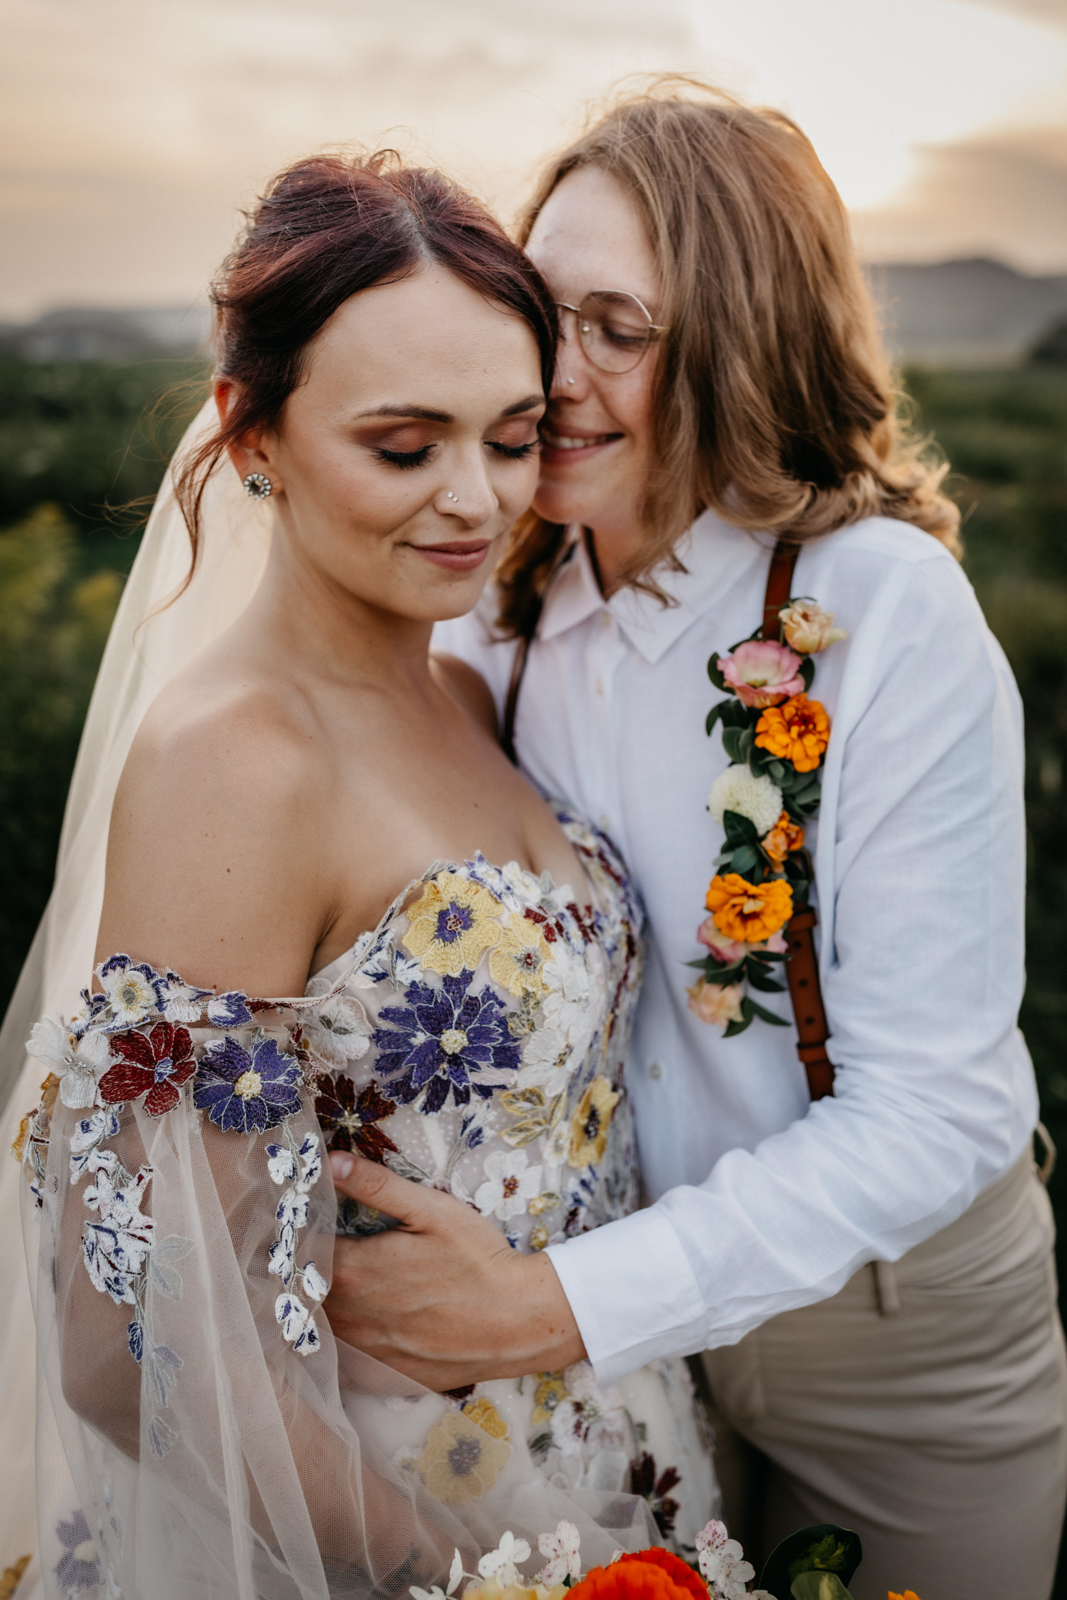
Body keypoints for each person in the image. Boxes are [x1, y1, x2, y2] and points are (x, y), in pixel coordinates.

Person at [322, 82, 1067, 1600]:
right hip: (631, 1376)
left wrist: (554, 1309)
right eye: (547, 314)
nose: (562, 377)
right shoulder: (507, 609)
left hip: (896, 1346)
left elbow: (936, 1113)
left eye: (625, 329)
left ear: (740, 340)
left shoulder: (881, 614)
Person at [6, 152, 718, 1600]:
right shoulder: (240, 765)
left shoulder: (461, 693)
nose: (476, 500)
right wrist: (458, 1568)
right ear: (250, 432)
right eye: (405, 447)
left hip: (607, 1457)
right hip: (392, 1532)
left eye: (514, 438)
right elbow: (123, 1325)